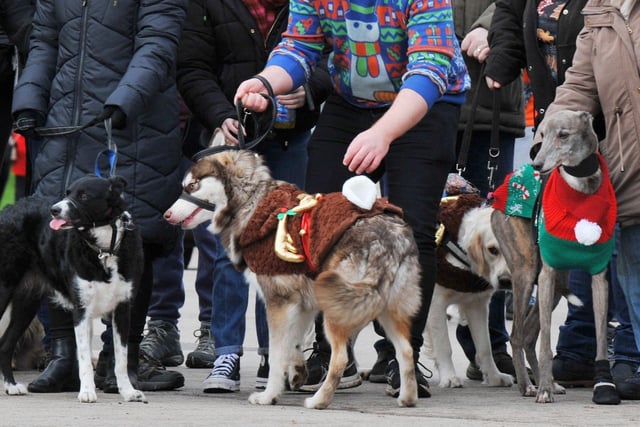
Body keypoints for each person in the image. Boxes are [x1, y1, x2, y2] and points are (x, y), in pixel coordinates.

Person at [235, 0, 469, 398]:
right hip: (350, 104)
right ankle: (330, 354)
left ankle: (404, 357)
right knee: (318, 222)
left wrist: (383, 134)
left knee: (413, 229)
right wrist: (267, 82)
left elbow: (430, 69)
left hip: (425, 106)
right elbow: (299, 47)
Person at [12, 0, 188, 393]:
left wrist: (125, 98)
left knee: (133, 244)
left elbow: (157, 44)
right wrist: (28, 100)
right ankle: (65, 358)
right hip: (65, 125)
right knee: (58, 243)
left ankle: (120, 363)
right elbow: (43, 42)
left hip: (132, 127)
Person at [174, 0, 332, 393]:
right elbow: (192, 67)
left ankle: (274, 356)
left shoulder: (311, 4)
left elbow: (331, 58)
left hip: (292, 137)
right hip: (232, 138)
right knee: (230, 251)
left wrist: (306, 90)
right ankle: (226, 352)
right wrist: (219, 114)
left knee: (288, 249)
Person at [486, 0, 640, 400]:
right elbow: (579, 85)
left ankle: (612, 357)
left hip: (610, 159)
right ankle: (590, 358)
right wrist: (546, 142)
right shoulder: (601, 11)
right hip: (609, 159)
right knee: (617, 270)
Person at [451, 0, 525, 383]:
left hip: (493, 101)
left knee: (495, 234)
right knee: (417, 230)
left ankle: (492, 346)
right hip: (424, 102)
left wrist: (488, 26)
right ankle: (393, 347)